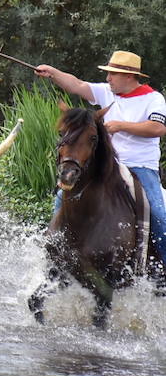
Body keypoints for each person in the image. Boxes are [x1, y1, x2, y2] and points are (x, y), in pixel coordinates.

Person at [36, 52, 166, 270]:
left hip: (140, 167)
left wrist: (121, 126)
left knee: (158, 213)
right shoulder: (107, 92)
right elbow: (76, 85)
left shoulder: (153, 98)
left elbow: (158, 128)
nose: (108, 79)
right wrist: (52, 73)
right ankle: (54, 250)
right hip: (107, 166)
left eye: (112, 74)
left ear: (129, 77)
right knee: (62, 197)